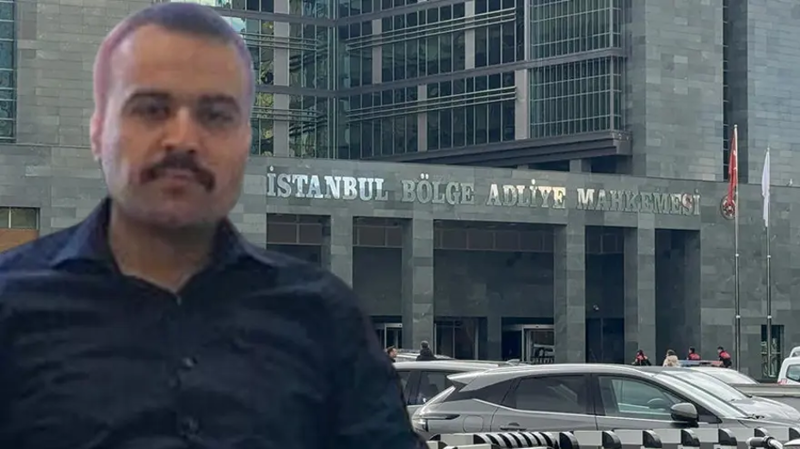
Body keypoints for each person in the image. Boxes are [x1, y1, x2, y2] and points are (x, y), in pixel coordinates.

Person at [0, 4, 424, 449]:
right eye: (152, 109)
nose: (182, 139)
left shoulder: (324, 320)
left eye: (215, 115)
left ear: (246, 140)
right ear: (97, 130)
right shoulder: (11, 307)